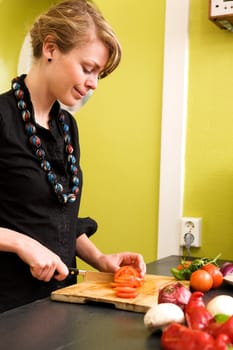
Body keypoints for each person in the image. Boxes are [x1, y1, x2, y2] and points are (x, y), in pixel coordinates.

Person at [0, 0, 146, 313]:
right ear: (50, 48)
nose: (93, 83)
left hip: (60, 302)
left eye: (99, 75)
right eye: (88, 68)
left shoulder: (67, 127)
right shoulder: (1, 118)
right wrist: (21, 243)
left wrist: (100, 259)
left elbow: (58, 214)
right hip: (9, 310)